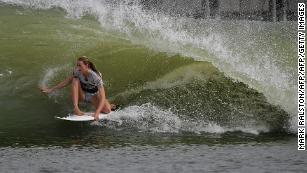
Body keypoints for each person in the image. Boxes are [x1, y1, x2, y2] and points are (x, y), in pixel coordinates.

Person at [40, 56, 115, 121]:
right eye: (77, 65)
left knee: (107, 110)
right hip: (82, 95)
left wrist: (97, 113)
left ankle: (110, 105)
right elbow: (67, 81)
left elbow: (102, 96)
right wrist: (51, 89)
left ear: (87, 65)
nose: (78, 68)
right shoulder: (77, 71)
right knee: (75, 79)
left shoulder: (95, 76)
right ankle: (76, 108)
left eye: (80, 65)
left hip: (94, 96)